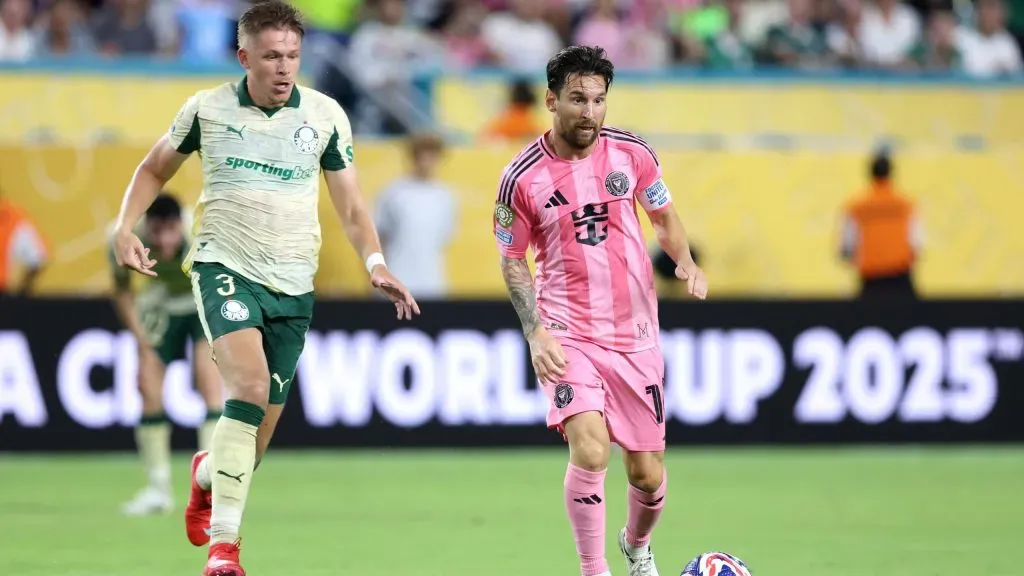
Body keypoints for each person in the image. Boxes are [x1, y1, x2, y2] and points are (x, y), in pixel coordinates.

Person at [110, 3, 420, 575]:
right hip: (222, 265)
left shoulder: (325, 115)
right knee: (247, 386)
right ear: (244, 56)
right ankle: (224, 551)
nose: (284, 68)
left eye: (293, 56)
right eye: (272, 56)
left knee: (250, 445)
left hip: (293, 283)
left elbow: (350, 204)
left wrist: (375, 261)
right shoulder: (207, 109)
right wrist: (124, 225)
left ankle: (206, 473)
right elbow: (155, 168)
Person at [492, 46, 708, 576]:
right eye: (577, 99)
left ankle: (636, 546)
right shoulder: (521, 177)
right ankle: (593, 569)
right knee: (591, 452)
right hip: (568, 332)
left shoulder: (632, 155)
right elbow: (513, 259)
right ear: (551, 100)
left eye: (598, 100)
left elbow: (664, 217)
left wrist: (686, 262)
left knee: (648, 475)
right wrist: (535, 333)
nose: (588, 111)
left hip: (635, 334)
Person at [109, 192, 224, 516]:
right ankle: (158, 490)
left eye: (169, 231)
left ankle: (210, 486)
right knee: (147, 386)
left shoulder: (201, 230)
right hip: (159, 304)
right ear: (147, 226)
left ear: (180, 225)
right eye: (156, 233)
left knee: (209, 384)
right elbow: (121, 290)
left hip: (202, 299)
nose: (163, 241)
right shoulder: (123, 236)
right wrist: (140, 338)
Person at [839, 149, 921, 301]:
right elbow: (916, 243)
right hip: (900, 275)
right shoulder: (905, 204)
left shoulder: (857, 206)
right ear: (891, 172)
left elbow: (847, 247)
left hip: (871, 278)